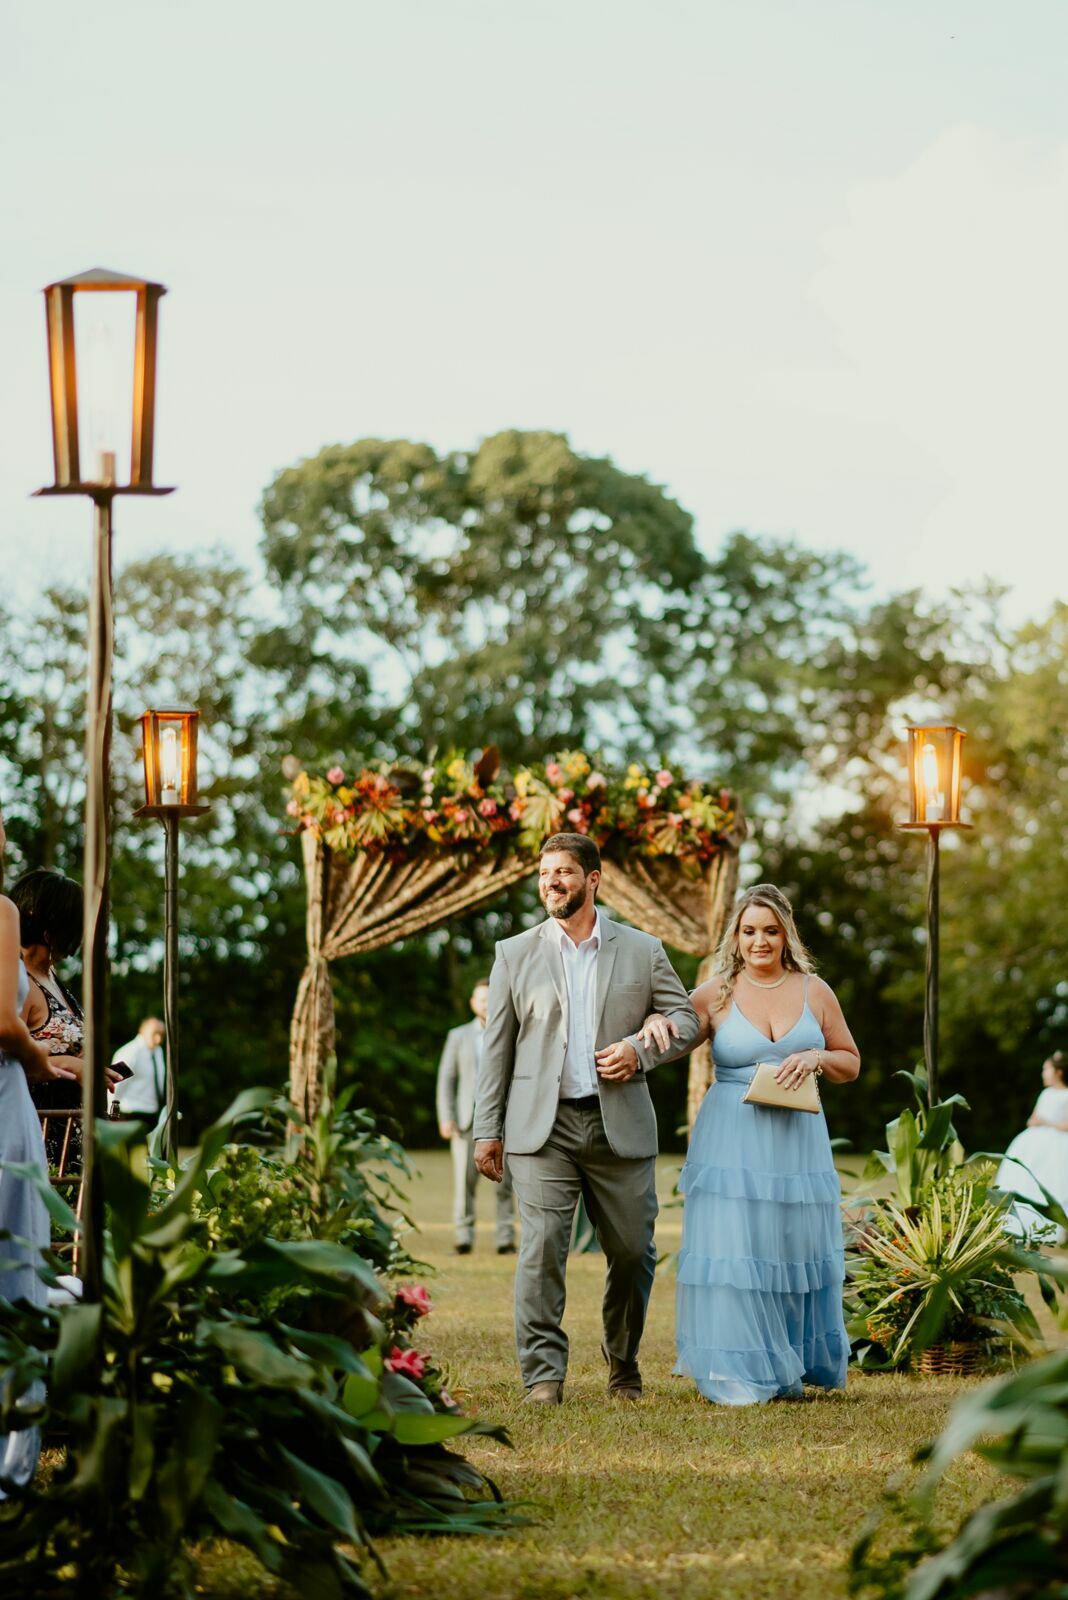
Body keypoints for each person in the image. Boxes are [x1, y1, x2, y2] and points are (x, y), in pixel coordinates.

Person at [473, 832, 702, 1406]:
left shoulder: (643, 949)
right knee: (542, 1248)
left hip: (618, 1125)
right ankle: (543, 1375)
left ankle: (622, 1362)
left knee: (632, 1251)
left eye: (564, 872)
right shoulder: (513, 954)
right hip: (540, 1130)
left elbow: (686, 1020)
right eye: (544, 872)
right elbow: (496, 1050)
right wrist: (487, 1129)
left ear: (592, 879)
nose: (551, 882)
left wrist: (640, 1051)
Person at [642, 883, 859, 1406]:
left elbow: (850, 1062)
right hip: (732, 1139)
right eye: (749, 931)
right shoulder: (714, 993)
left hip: (797, 1140)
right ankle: (736, 1368)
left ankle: (789, 1362)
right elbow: (667, 1043)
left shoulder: (815, 991)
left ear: (786, 936)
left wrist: (816, 1058)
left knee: (789, 1247)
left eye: (770, 931)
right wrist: (653, 1019)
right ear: (735, 937)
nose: (760, 941)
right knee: (736, 1248)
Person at [0, 807, 77, 1491]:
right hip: (13, 1110)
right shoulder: (0, 916)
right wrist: (45, 1060)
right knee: (18, 1268)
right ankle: (12, 1458)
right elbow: (7, 1027)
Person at [12, 869, 120, 1170]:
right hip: (37, 1141)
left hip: (70, 1139)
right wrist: (70, 1066)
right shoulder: (18, 981)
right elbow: (6, 1065)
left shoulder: (51, 977)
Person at [436, 978, 516, 1255]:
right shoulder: (457, 1036)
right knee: (464, 1184)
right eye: (482, 999)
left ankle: (505, 1239)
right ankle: (463, 1239)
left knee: (505, 1183)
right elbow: (446, 1080)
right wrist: (446, 1117)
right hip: (465, 1120)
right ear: (473, 1003)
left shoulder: (510, 1032)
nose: (486, 1004)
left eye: (491, 999)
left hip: (504, 1120)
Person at [996, 1052, 1068, 1242]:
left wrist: (1046, 1123)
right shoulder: (1046, 1093)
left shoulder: (1066, 1095)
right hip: (1034, 1140)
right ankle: (1019, 1220)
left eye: (1047, 1069)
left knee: (1055, 1179)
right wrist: (1035, 1121)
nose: (1043, 1073)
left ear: (1059, 1072)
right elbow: (1034, 1117)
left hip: (1058, 1142)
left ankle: (1055, 1223)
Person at [111, 1016, 166, 1127]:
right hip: (130, 1114)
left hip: (152, 1114)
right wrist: (112, 1115)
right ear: (143, 1031)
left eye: (161, 1035)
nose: (158, 1039)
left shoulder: (158, 1051)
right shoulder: (129, 1052)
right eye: (155, 1033)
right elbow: (115, 1085)